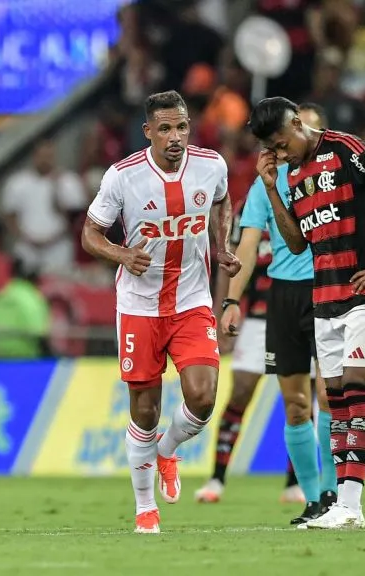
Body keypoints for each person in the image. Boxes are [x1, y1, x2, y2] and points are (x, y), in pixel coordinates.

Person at [249, 96, 365, 529]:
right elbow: (297, 244)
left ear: (295, 122)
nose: (280, 153)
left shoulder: (345, 148)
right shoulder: (292, 174)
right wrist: (271, 187)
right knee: (337, 399)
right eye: (272, 149)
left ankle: (351, 505)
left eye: (281, 143)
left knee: (358, 392)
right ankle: (343, 504)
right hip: (323, 298)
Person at [82, 90, 241, 534]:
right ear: (148, 131)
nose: (176, 137)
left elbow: (222, 201)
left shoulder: (211, 165)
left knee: (204, 397)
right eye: (166, 129)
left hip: (191, 302)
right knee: (145, 411)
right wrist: (121, 254)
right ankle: (145, 508)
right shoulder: (123, 177)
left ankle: (167, 451)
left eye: (183, 127)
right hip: (139, 307)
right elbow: (90, 234)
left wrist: (221, 244)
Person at [197, 103, 338, 525]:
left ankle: (331, 493)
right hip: (278, 301)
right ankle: (310, 498)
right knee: (292, 402)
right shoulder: (264, 186)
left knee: (329, 399)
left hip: (329, 293)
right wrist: (230, 302)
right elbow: (244, 248)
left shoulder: (331, 175)